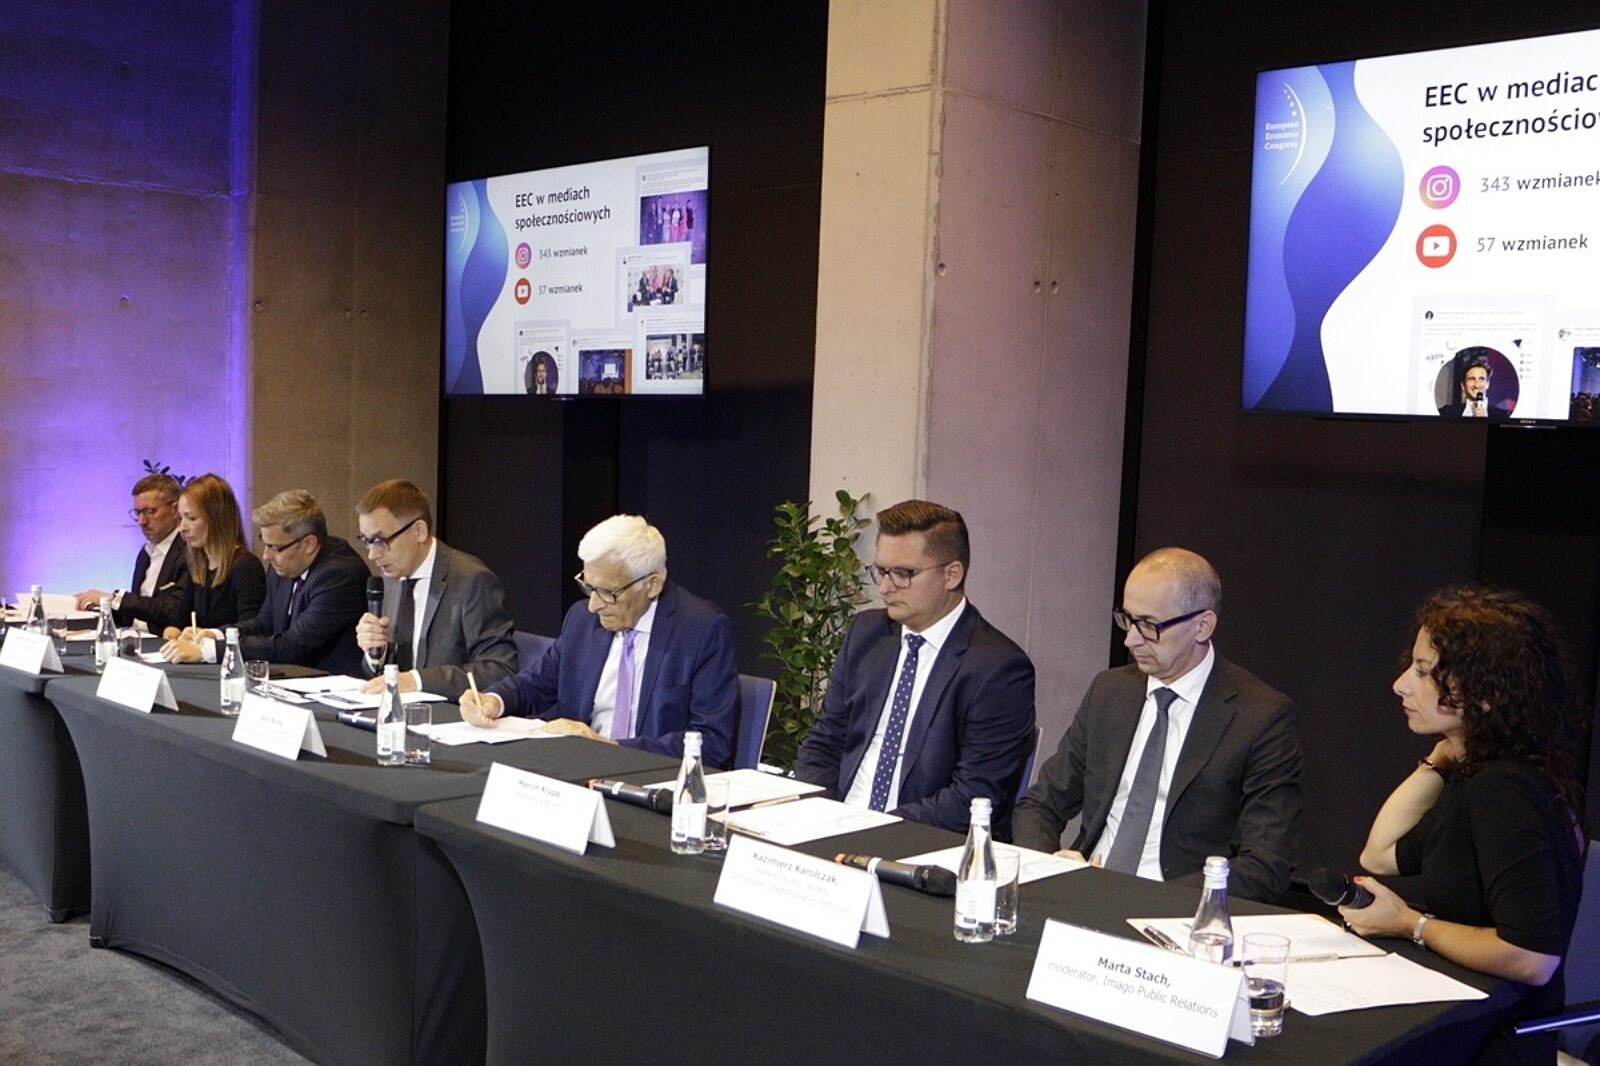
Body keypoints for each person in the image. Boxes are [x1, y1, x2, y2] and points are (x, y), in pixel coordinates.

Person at [1341, 588, 1586, 1066]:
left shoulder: (1505, 790)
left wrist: (1410, 924)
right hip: (1467, 1026)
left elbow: (1531, 958)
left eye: (1423, 671)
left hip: (1492, 1045)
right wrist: (1441, 757)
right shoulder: (1477, 776)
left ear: (1484, 692)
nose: (1400, 685)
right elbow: (1380, 855)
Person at [1012, 548, 1302, 902]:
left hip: (1175, 907)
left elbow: (1265, 867)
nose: (1130, 639)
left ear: (1203, 626)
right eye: (1127, 619)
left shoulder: (1260, 717)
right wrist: (1050, 867)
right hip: (1084, 891)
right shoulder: (1111, 691)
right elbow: (1040, 805)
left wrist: (1140, 897)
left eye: (1149, 625)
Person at [794, 500, 1036, 837]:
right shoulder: (866, 633)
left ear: (952, 575)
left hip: (914, 839)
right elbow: (825, 741)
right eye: (881, 571)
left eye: (903, 574)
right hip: (834, 824)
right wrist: (814, 816)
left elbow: (972, 798)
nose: (885, 587)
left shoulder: (998, 668)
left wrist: (871, 829)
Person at [459, 514, 738, 766]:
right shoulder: (582, 619)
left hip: (651, 778)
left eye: (607, 592)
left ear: (652, 584)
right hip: (578, 770)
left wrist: (609, 747)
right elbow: (537, 684)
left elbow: (711, 743)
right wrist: (493, 700)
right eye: (589, 587)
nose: (593, 605)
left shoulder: (702, 630)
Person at [163, 490, 368, 672]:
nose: (266, 556)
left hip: (332, 687)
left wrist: (208, 651)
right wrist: (215, 635)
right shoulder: (284, 564)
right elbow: (264, 624)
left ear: (309, 544)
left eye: (275, 547)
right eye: (265, 543)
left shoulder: (339, 576)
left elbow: (292, 645)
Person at [353, 479, 517, 699]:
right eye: (366, 541)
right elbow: (381, 674)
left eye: (380, 540)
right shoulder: (390, 579)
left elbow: (499, 670)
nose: (372, 555)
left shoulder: (472, 581)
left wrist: (417, 681)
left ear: (419, 531)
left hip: (449, 713)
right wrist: (376, 654)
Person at [136, 473, 265, 644]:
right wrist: (174, 632)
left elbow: (253, 628)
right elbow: (180, 619)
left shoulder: (245, 566)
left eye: (191, 518)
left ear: (217, 519)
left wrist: (211, 636)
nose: (183, 527)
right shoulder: (199, 565)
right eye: (181, 518)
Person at [75, 472, 188, 627]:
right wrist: (103, 607)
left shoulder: (189, 552)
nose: (142, 521)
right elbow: (137, 615)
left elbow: (175, 611)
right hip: (134, 636)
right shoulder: (145, 554)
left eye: (149, 511)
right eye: (138, 513)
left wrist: (115, 599)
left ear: (175, 510)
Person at [1439, 361, 1508, 419]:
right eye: (1471, 379)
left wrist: (1487, 421)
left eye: (1481, 379)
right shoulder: (1446, 413)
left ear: (1487, 384)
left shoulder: (1502, 416)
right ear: (1463, 385)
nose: (1476, 385)